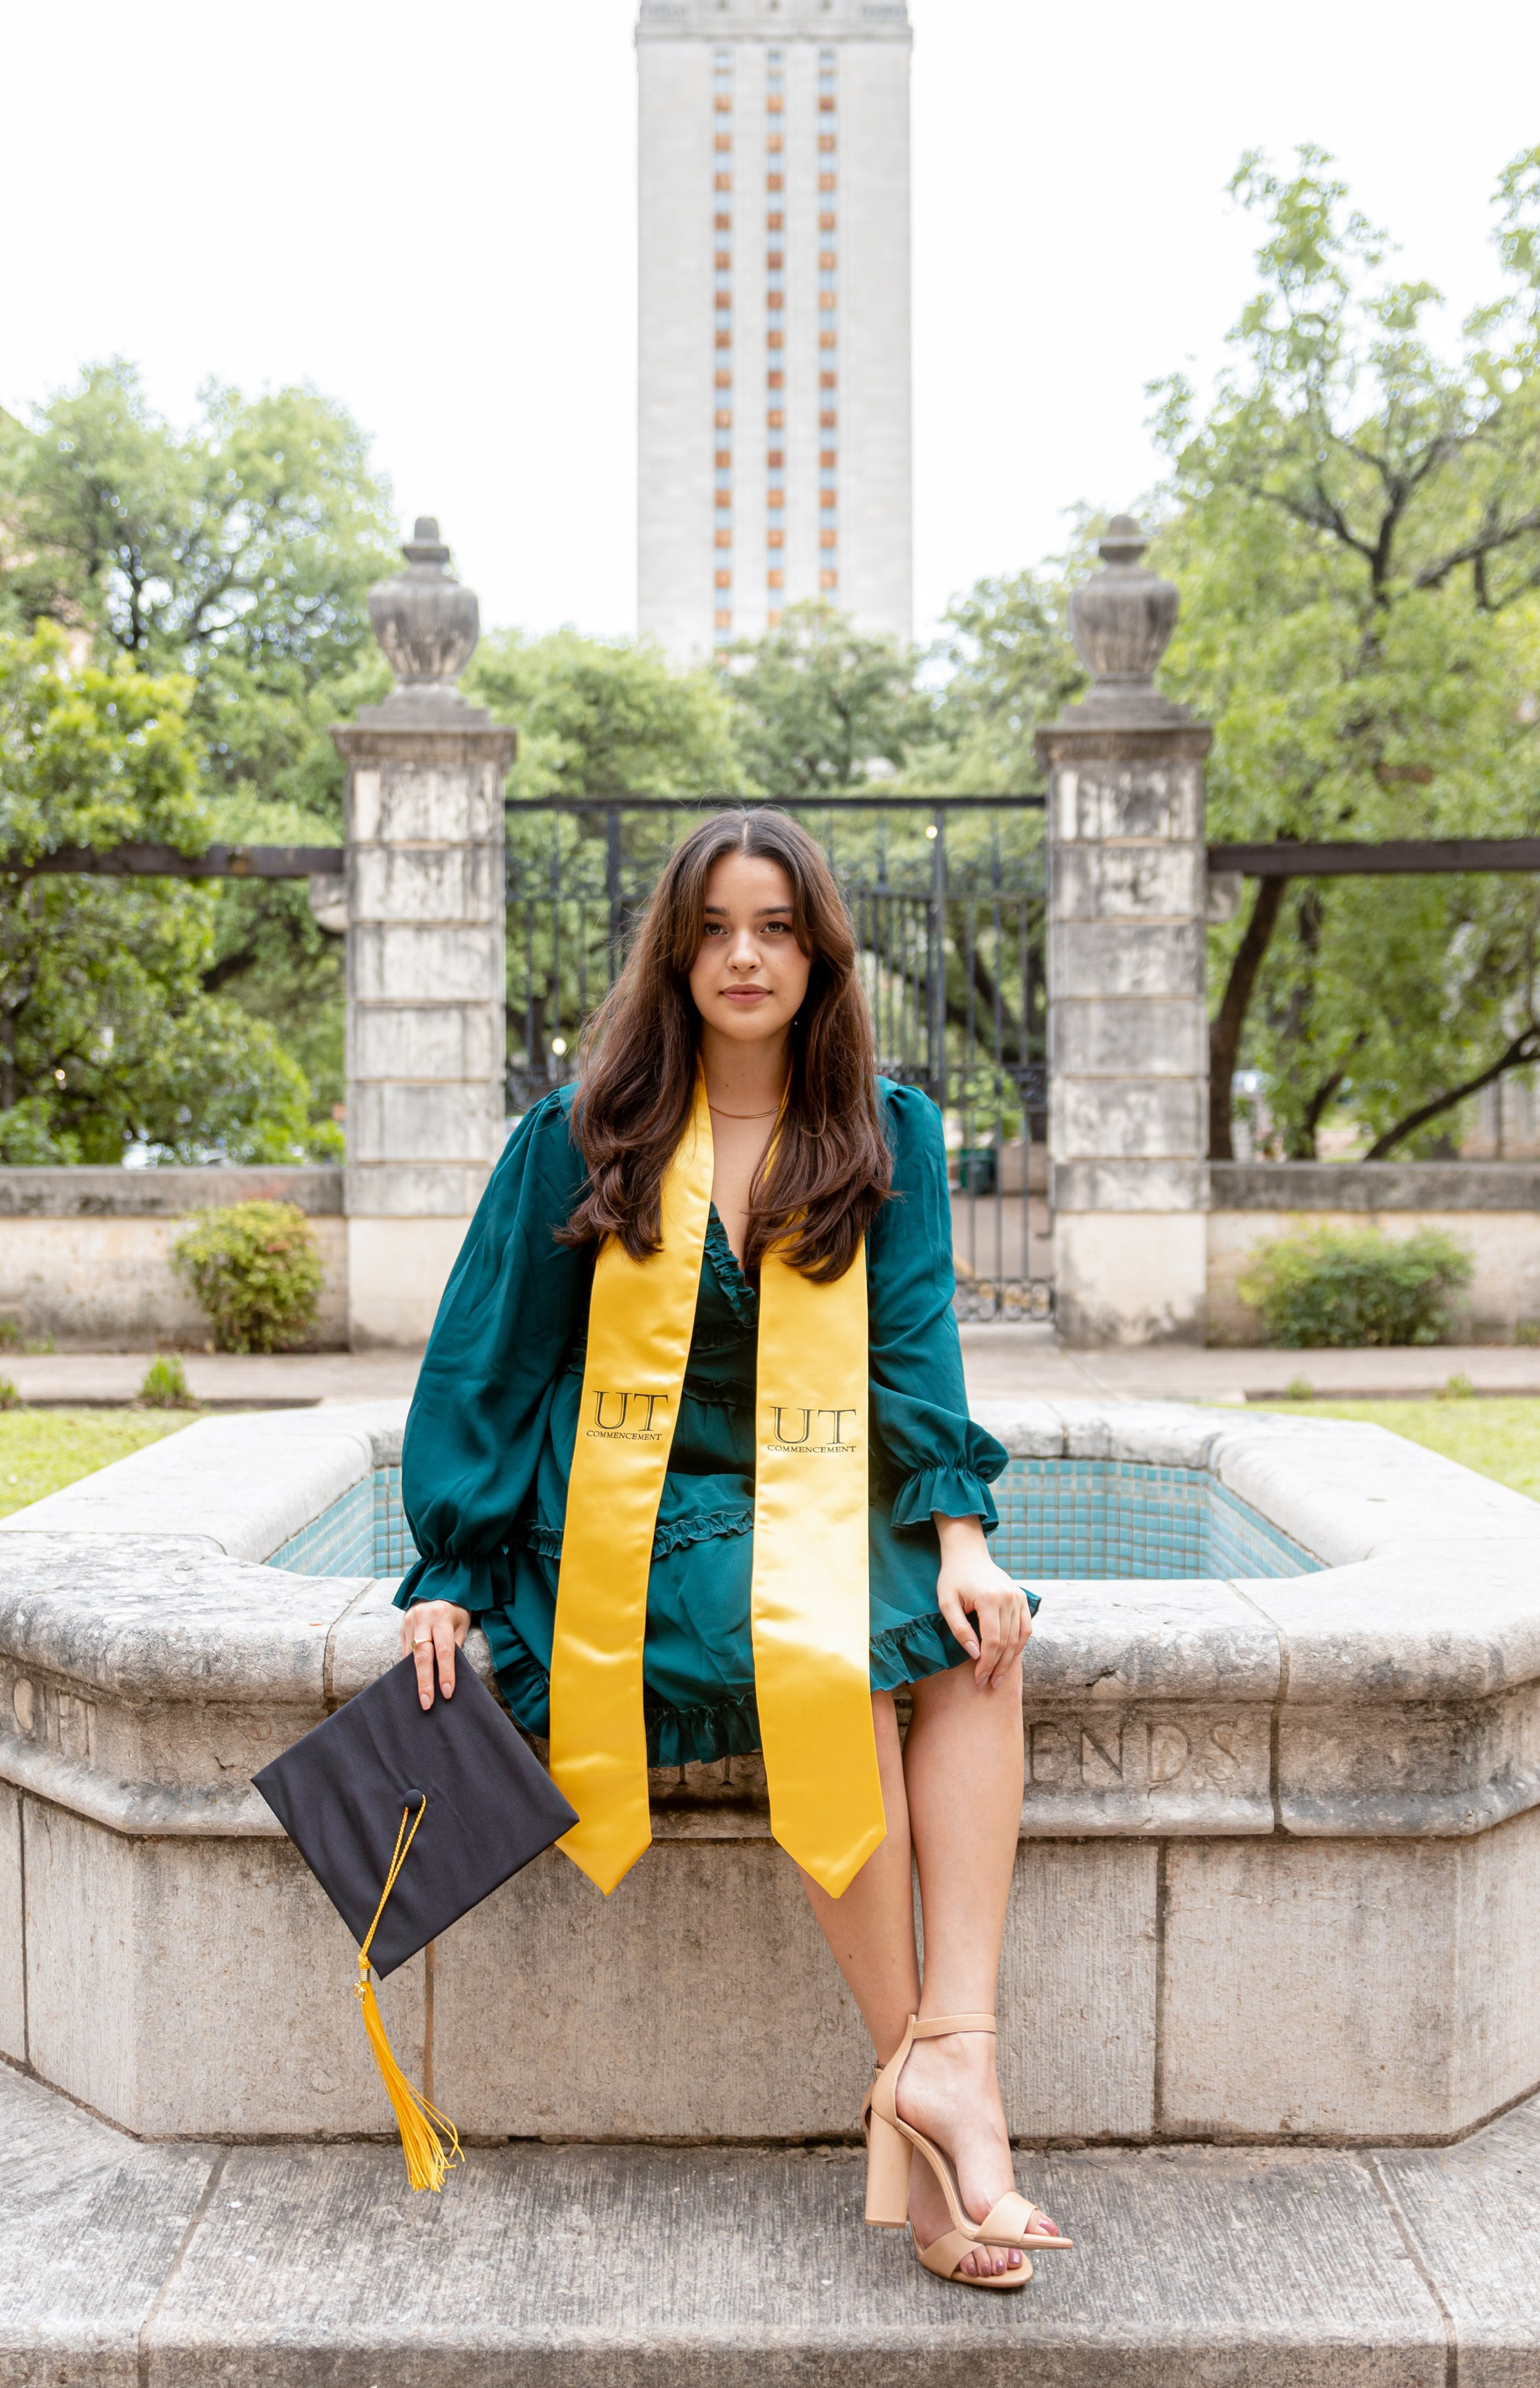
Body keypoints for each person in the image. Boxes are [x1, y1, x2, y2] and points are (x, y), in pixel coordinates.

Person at [395, 808, 1067, 2288]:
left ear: (819, 954)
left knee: (972, 1646)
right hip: (638, 1516)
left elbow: (910, 1350)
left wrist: (959, 1536)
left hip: (821, 1485)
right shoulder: (577, 1134)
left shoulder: (884, 1132)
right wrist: (449, 1567)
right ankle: (936, 2099)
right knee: (815, 1648)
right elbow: (484, 1363)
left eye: (773, 928)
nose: (743, 956)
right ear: (674, 950)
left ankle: (951, 2066)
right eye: (713, 929)